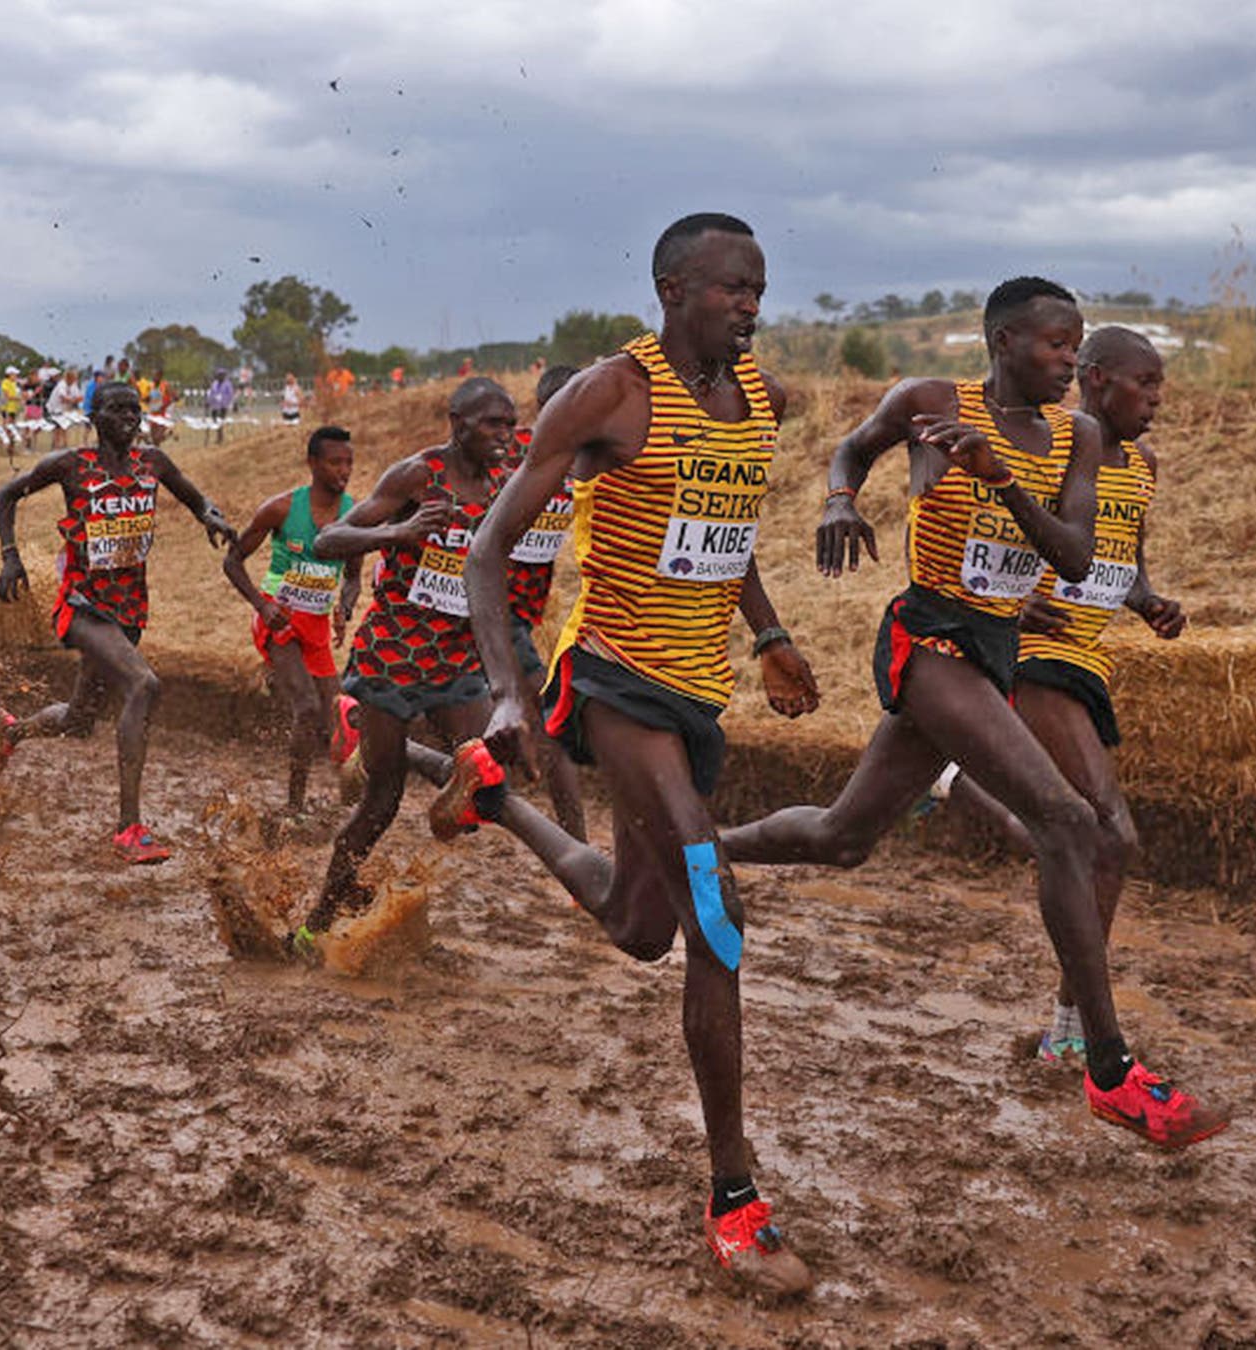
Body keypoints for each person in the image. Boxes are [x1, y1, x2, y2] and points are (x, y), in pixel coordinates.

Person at [725, 279, 1228, 1150]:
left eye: (1076, 348)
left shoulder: (1078, 437)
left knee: (845, 835)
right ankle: (1109, 1069)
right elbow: (852, 447)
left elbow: (1072, 557)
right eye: (1054, 346)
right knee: (1070, 822)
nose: (1069, 363)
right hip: (929, 643)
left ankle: (698, 847)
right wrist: (841, 500)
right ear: (1001, 342)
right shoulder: (929, 403)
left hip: (995, 650)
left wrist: (1000, 483)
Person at [448, 213, 821, 1296]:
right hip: (610, 677)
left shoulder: (762, 401)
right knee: (718, 911)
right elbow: (485, 550)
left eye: (759, 287)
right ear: (670, 290)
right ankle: (735, 1199)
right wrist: (512, 695)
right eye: (729, 289)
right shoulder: (610, 394)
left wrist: (770, 633)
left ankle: (498, 810)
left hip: (698, 693)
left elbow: (725, 525)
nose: (751, 305)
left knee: (639, 927)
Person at [937, 328, 1188, 1065]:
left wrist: (1148, 601)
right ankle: (1073, 1030)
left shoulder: (1140, 467)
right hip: (1034, 656)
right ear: (1098, 380)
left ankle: (962, 784)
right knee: (1113, 835)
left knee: (1073, 840)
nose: (1156, 401)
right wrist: (1005, 607)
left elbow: (1123, 560)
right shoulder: (1044, 451)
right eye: (1146, 385)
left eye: (1161, 388)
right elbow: (975, 544)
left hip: (1087, 657)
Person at [298, 378, 515, 937]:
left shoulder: (504, 483)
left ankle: (426, 773)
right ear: (458, 422)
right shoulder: (418, 476)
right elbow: (328, 542)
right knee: (380, 803)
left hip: (456, 663)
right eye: (494, 424)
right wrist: (399, 531)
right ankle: (316, 924)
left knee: (486, 778)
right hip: (391, 659)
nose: (505, 435)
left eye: (511, 425)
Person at [0, 382, 234, 862]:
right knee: (144, 685)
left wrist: (212, 517)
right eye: (116, 409)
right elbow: (5, 496)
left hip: (128, 609)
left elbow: (195, 499)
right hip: (82, 604)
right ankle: (129, 829)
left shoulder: (153, 464)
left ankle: (12, 733)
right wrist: (9, 557)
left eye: (134, 410)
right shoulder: (71, 466)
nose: (129, 418)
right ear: (94, 416)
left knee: (80, 719)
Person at [221, 425, 360, 816]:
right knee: (307, 709)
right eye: (335, 462)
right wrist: (262, 607)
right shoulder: (280, 509)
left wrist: (344, 608)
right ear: (313, 464)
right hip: (278, 620)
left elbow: (352, 577)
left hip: (316, 625)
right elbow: (232, 561)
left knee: (340, 713)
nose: (344, 470)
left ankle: (349, 799)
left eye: (349, 462)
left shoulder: (354, 515)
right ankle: (294, 808)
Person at [499, 364, 587, 834]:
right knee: (548, 715)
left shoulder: (591, 462)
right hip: (489, 607)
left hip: (526, 608)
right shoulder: (510, 454)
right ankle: (580, 846)